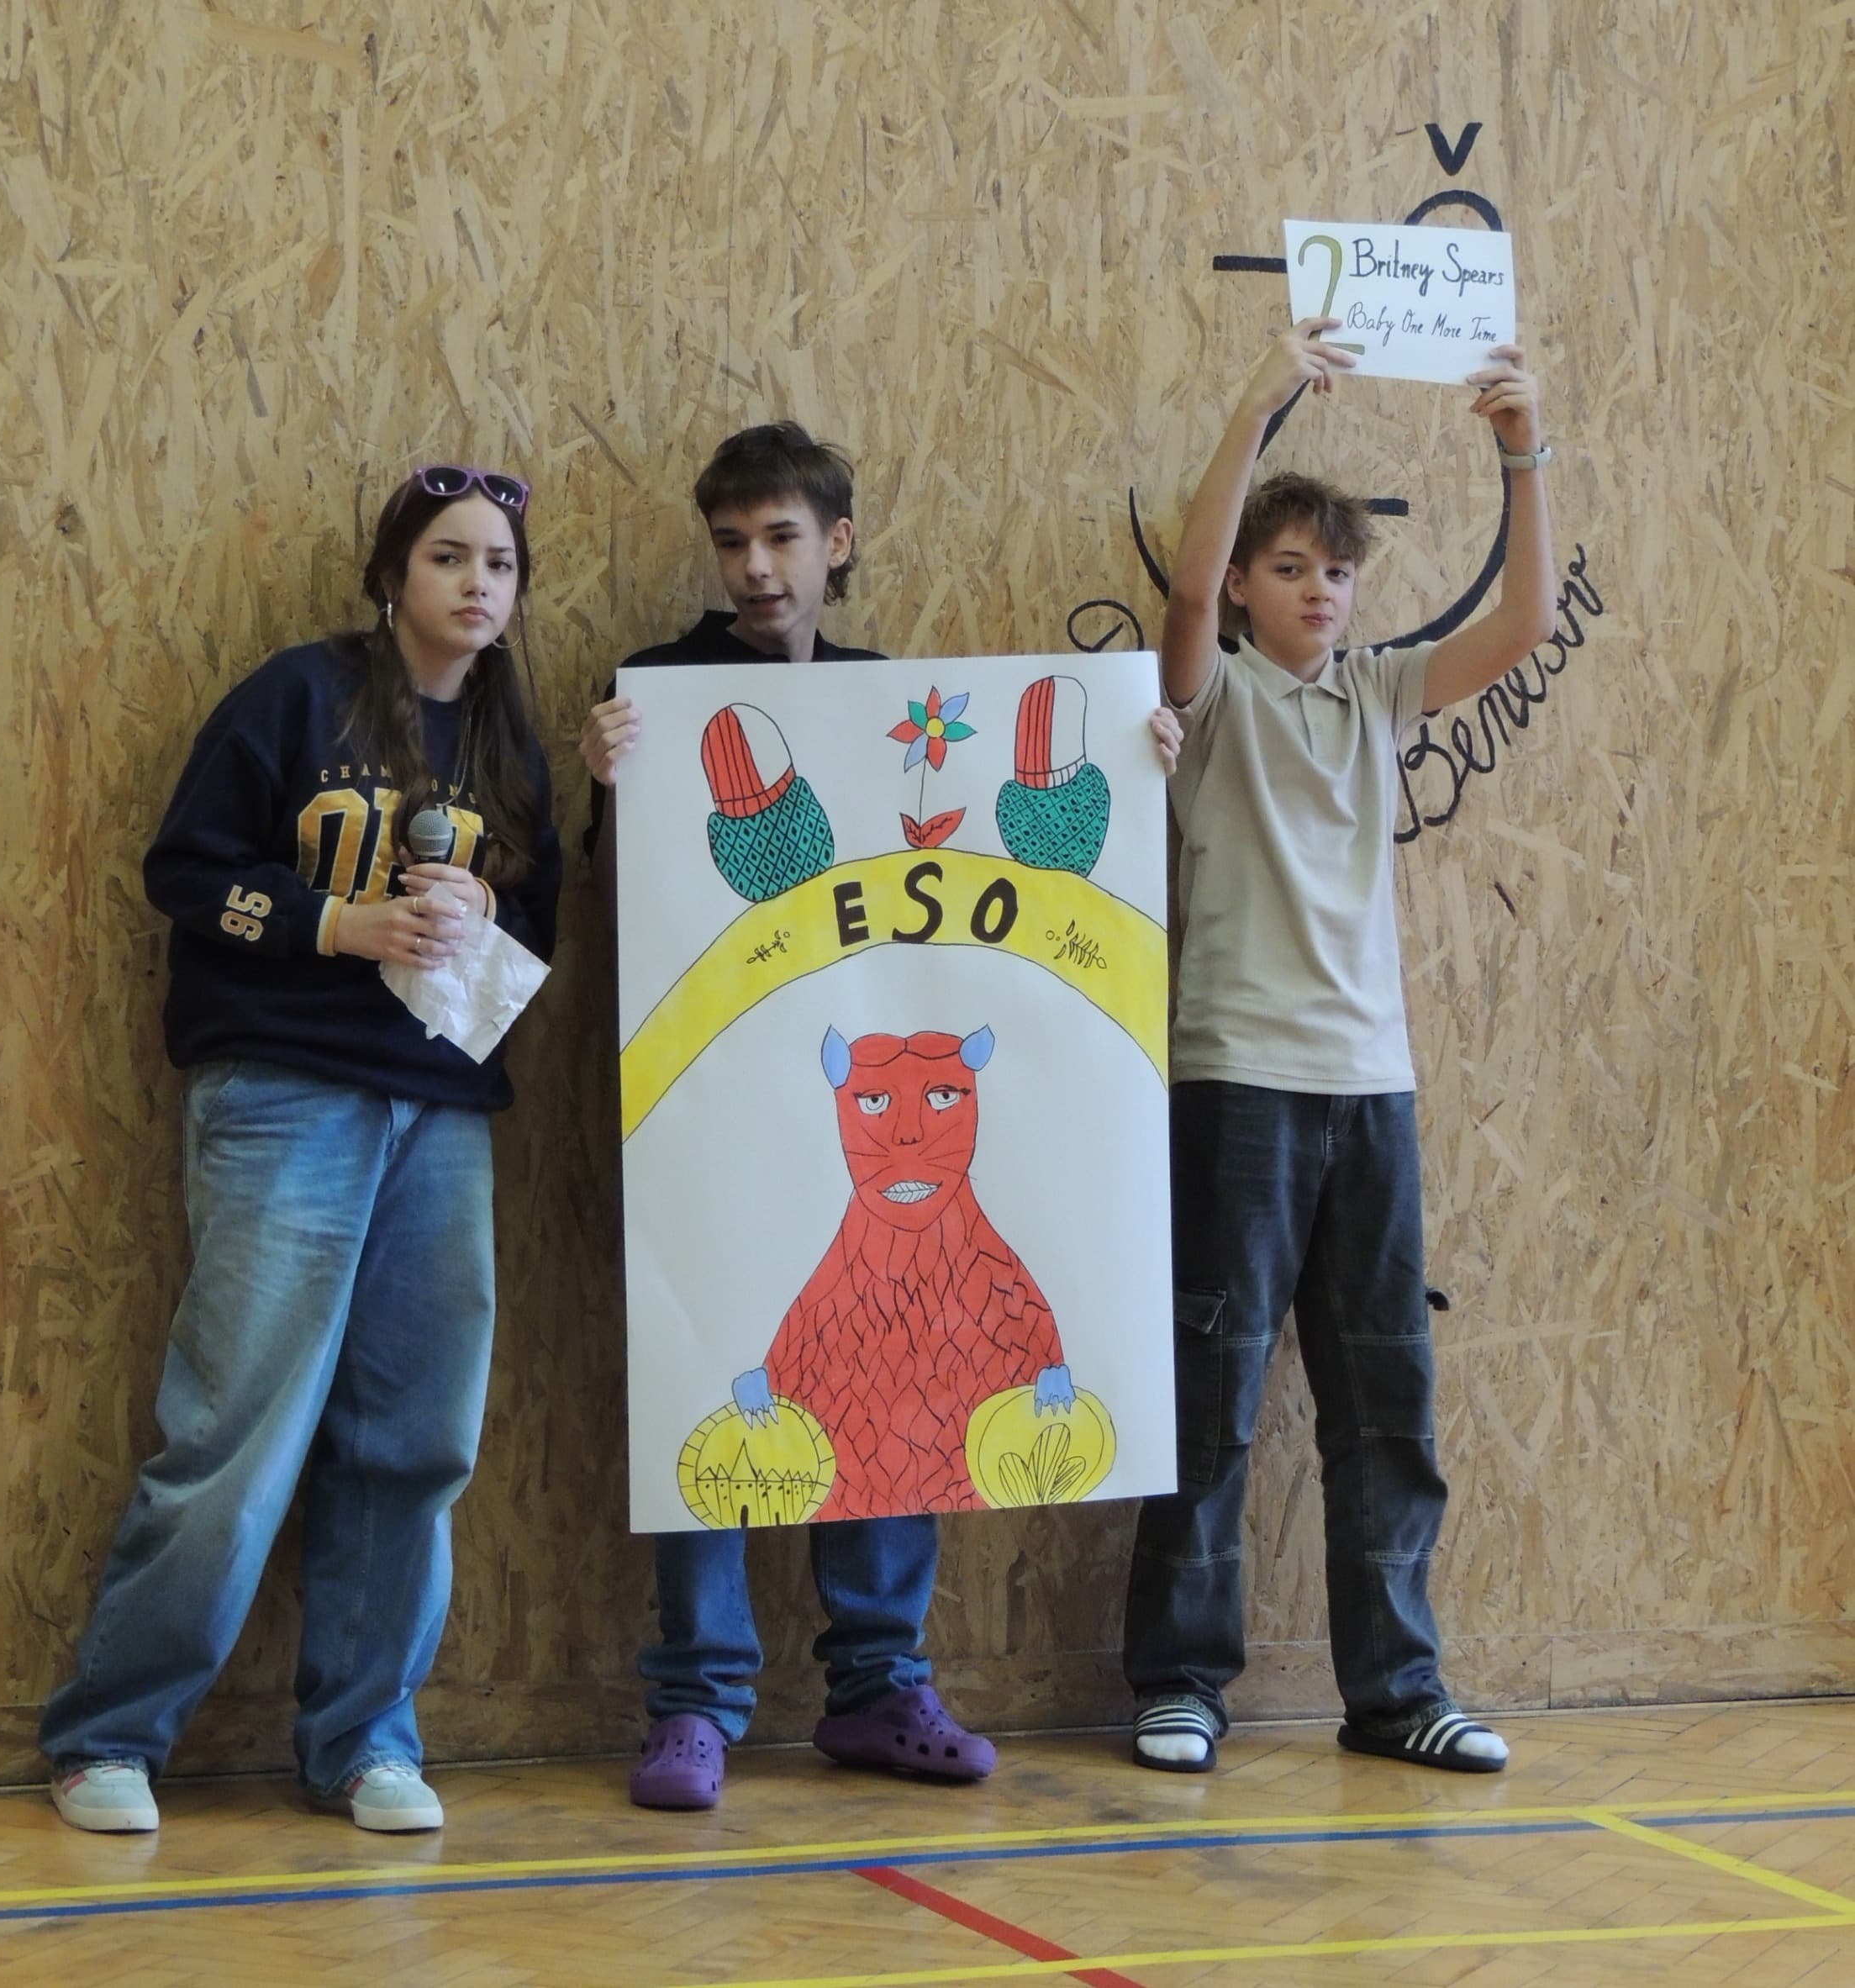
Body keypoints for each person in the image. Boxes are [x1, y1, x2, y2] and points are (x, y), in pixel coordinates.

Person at [583, 420, 1178, 1811]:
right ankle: (697, 1702)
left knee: (902, 1375)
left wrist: (1140, 756)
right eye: (732, 541)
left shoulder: (896, 700)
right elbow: (624, 907)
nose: (755, 566)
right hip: (723, 1130)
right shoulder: (658, 695)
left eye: (782, 537)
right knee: (720, 1370)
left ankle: (877, 1682)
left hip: (887, 1129)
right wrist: (609, 788)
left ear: (836, 542)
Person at [40, 467, 562, 1833]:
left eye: (500, 564)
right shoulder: (297, 695)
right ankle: (110, 1736)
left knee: (417, 1438)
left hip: (440, 1110)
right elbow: (184, 870)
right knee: (237, 1426)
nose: (477, 584)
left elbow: (539, 933)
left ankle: (365, 1740)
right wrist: (342, 924)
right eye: (448, 557)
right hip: (282, 1090)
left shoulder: (508, 741)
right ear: (391, 575)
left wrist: (477, 916)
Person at [1124, 320, 1557, 1776]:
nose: (1320, 589)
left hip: (1371, 1090)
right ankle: (1181, 1680)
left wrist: (1521, 449)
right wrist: (1263, 400)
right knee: (1210, 1395)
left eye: (1339, 571)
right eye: (1292, 566)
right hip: (1237, 1081)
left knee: (1385, 1404)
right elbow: (1186, 589)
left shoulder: (1377, 692)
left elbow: (1525, 623)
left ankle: (1398, 1689)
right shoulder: (1208, 698)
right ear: (1251, 587)